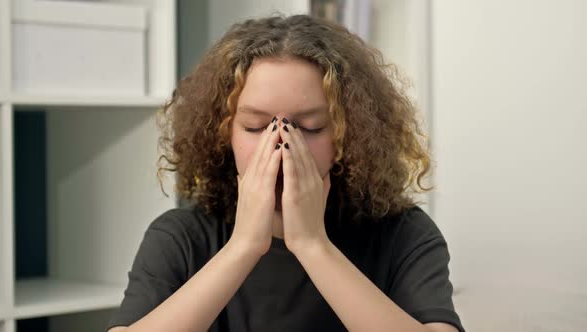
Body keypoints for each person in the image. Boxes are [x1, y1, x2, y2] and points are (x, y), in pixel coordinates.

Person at [107, 14, 464, 332]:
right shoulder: (181, 238)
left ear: (345, 135)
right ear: (223, 134)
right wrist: (244, 247)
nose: (280, 146)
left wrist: (312, 245)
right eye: (255, 126)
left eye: (308, 128)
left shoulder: (403, 235)